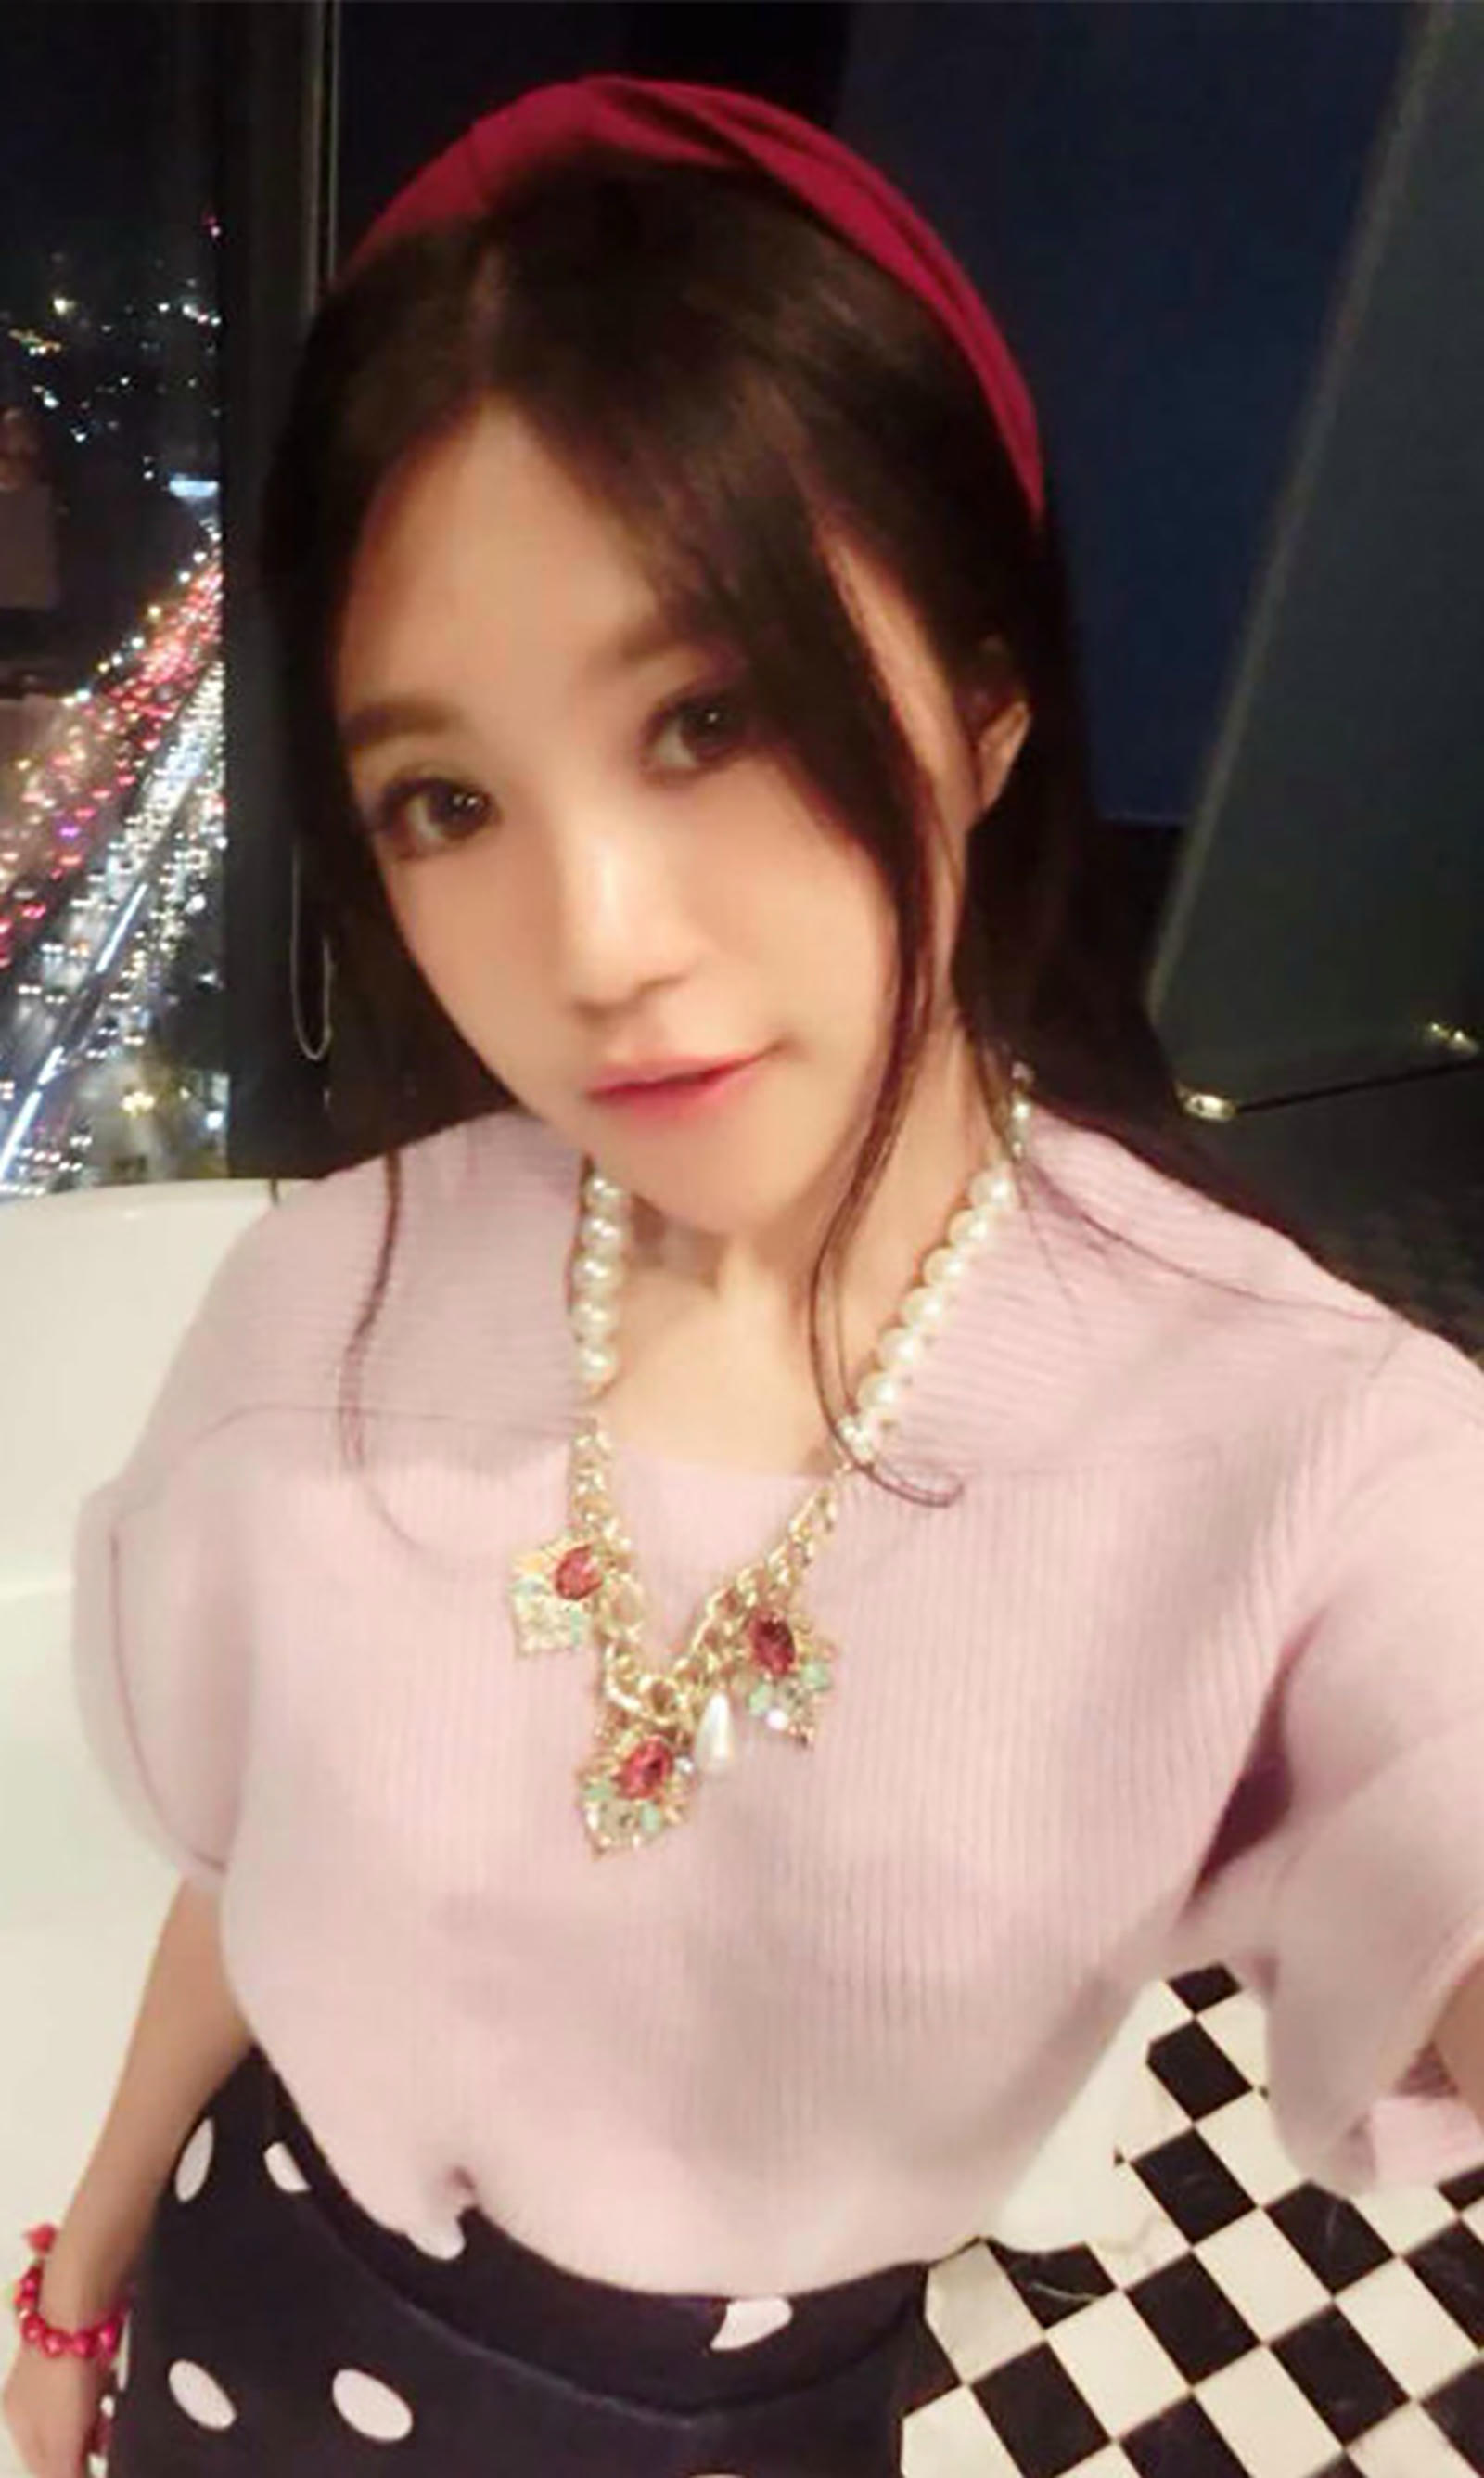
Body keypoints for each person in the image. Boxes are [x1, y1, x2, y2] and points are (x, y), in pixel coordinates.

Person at [7, 71, 1484, 2478]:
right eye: (448, 800)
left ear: (984, 703)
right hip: (244, 2331)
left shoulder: (1308, 1459)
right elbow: (246, 1908)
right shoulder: (330, 1305)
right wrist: (71, 2294)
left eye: (710, 716)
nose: (594, 941)